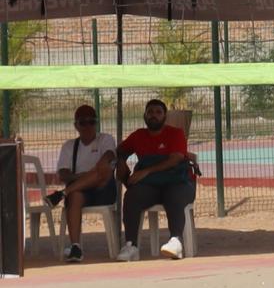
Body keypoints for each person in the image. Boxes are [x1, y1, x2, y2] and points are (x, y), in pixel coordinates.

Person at [114, 98, 197, 262]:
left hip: (178, 183)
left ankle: (176, 241)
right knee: (132, 196)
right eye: (150, 112)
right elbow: (120, 151)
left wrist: (145, 171)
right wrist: (121, 162)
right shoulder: (138, 136)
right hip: (151, 187)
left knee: (174, 196)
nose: (154, 115)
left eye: (158, 112)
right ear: (144, 116)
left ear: (165, 116)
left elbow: (175, 159)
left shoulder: (176, 133)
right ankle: (131, 246)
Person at [50, 104, 117, 263]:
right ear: (76, 125)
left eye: (91, 122)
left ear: (96, 123)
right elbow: (63, 173)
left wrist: (99, 165)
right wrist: (81, 177)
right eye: (83, 122)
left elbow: (109, 155)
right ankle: (75, 246)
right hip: (79, 191)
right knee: (75, 195)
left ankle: (62, 194)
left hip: (103, 190)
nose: (87, 126)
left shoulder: (105, 139)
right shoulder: (69, 146)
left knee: (102, 170)